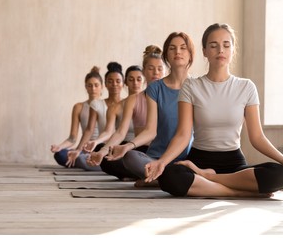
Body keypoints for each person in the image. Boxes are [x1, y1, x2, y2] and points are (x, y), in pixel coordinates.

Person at [145, 23, 283, 198]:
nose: (220, 50)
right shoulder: (191, 86)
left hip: (234, 163)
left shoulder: (246, 87)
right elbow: (183, 134)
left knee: (280, 175)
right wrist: (162, 162)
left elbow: (257, 137)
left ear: (233, 50)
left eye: (226, 45)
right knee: (170, 176)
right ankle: (241, 192)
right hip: (199, 160)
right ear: (204, 51)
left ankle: (209, 179)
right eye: (213, 45)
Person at [105, 33, 195, 185]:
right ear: (166, 54)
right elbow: (150, 131)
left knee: (192, 168)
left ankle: (159, 178)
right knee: (130, 157)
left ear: (190, 54)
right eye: (172, 48)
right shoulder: (155, 88)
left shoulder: (198, 86)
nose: (178, 52)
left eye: (183, 48)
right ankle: (163, 177)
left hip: (186, 158)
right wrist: (127, 146)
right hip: (156, 156)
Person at [86, 45, 166, 180]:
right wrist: (102, 151)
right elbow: (120, 132)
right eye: (151, 69)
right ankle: (153, 176)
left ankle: (151, 176)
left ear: (165, 71)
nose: (155, 73)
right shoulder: (133, 100)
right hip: (143, 152)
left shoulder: (173, 96)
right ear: (144, 72)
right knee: (115, 158)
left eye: (159, 69)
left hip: (166, 152)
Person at [65, 62, 125, 170]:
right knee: (76, 157)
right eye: (110, 81)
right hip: (102, 147)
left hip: (123, 147)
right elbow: (90, 130)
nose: (114, 84)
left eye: (118, 81)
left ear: (123, 83)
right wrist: (79, 150)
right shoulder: (97, 104)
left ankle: (109, 165)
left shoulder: (128, 104)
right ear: (105, 84)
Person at [50, 66, 103, 166]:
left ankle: (88, 161)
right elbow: (72, 138)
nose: (93, 89)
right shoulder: (79, 107)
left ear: (102, 87)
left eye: (96, 85)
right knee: (60, 154)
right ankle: (86, 161)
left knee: (87, 158)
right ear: (86, 87)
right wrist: (60, 147)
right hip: (83, 149)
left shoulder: (107, 105)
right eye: (90, 85)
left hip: (100, 148)